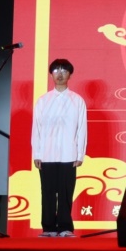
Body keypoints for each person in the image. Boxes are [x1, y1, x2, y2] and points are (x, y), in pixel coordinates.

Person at [32, 57, 87, 238]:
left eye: (64, 70)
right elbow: (36, 128)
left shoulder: (77, 100)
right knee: (47, 192)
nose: (60, 74)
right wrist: (37, 153)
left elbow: (82, 128)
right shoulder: (43, 100)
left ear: (70, 74)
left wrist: (80, 153)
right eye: (56, 70)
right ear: (51, 74)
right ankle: (48, 227)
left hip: (68, 154)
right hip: (47, 154)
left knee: (65, 192)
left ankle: (65, 227)